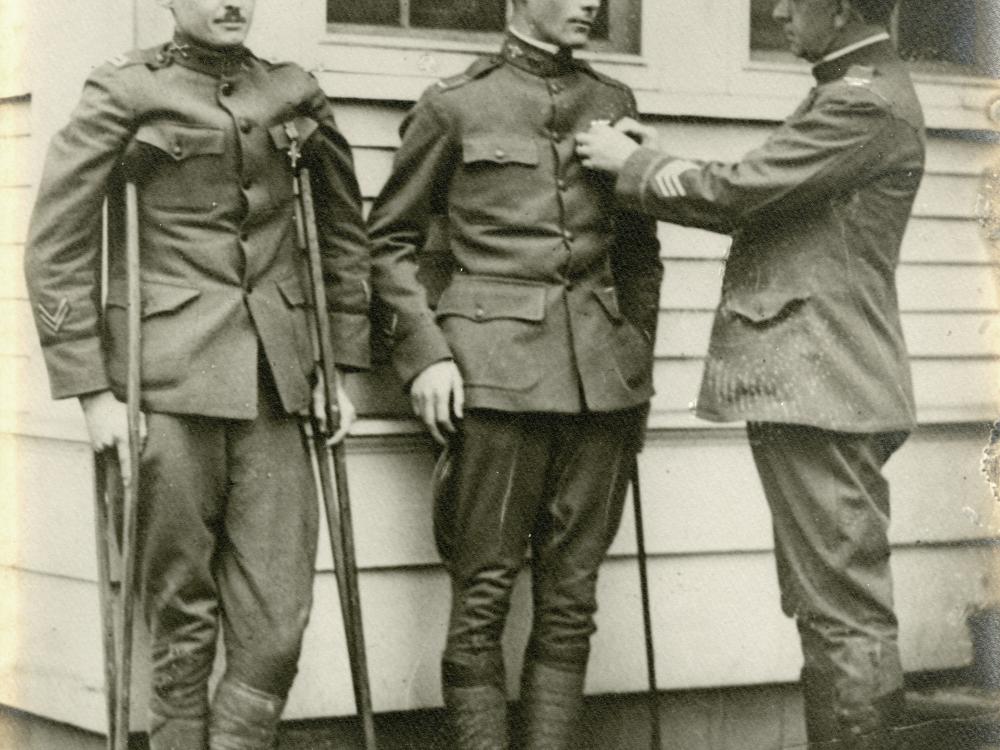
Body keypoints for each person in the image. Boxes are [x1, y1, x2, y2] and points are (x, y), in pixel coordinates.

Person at [576, 0, 924, 746]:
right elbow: (772, 188)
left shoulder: (863, 103)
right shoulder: (848, 90)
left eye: (790, 0)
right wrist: (656, 160)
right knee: (821, 603)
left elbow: (741, 192)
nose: (775, 11)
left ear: (835, 7)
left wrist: (633, 166)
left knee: (843, 612)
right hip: (816, 384)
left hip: (824, 387)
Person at [23, 0, 372, 747]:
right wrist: (92, 393)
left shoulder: (294, 91)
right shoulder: (123, 91)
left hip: (280, 386)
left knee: (278, 623)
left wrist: (338, 365)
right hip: (164, 386)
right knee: (181, 618)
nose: (231, 2)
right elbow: (57, 246)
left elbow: (344, 236)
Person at [367, 0, 662, 746]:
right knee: (483, 594)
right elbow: (389, 244)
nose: (591, 4)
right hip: (493, 381)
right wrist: (427, 355)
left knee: (573, 597)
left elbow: (637, 254)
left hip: (601, 383)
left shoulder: (612, 104)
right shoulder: (454, 106)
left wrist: (635, 355)